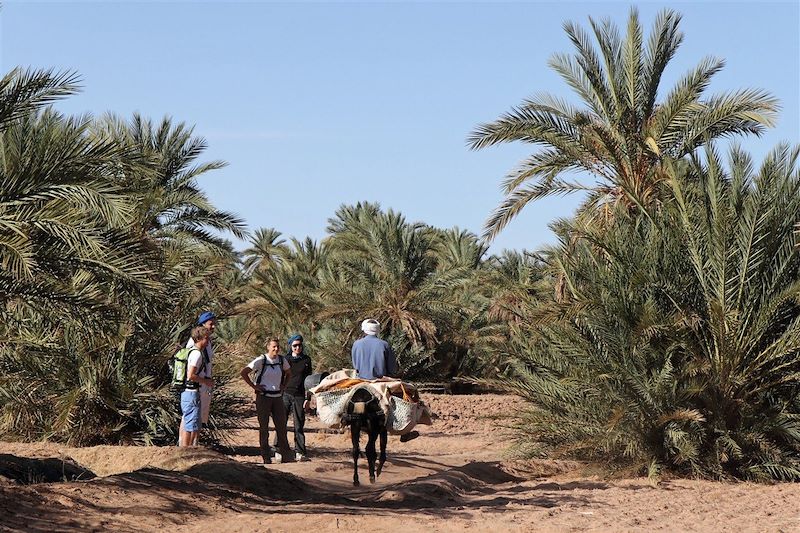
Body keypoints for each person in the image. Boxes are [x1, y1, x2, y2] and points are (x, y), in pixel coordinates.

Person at [351, 319, 418, 442]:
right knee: (405, 396)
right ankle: (404, 431)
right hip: (381, 381)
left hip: (361, 381)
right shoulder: (384, 344)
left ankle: (351, 421)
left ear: (364, 329)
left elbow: (355, 365)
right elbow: (392, 368)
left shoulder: (356, 344)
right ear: (378, 329)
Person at [240, 337, 294, 464]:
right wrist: (254, 386)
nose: (276, 349)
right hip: (263, 397)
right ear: (268, 347)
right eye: (273, 346)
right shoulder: (261, 360)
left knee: (281, 427)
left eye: (277, 346)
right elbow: (244, 372)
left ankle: (286, 455)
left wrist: (284, 386)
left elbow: (289, 373)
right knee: (264, 428)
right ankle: (266, 456)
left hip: (277, 397)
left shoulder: (282, 360)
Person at [179, 311, 216, 446]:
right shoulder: (194, 344)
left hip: (202, 385)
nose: (213, 327)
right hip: (195, 385)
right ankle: (184, 447)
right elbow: (191, 368)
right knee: (189, 418)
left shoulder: (208, 342)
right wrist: (204, 380)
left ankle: (194, 445)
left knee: (198, 417)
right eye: (210, 324)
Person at [281, 334, 313, 461]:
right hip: (285, 394)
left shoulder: (306, 360)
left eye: (300, 345)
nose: (298, 348)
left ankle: (300, 451)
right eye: (295, 345)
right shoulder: (285, 359)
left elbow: (309, 380)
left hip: (299, 395)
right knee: (281, 423)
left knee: (299, 424)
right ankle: (279, 449)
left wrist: (308, 398)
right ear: (290, 346)